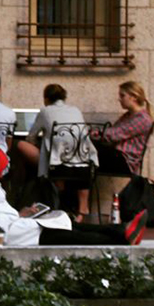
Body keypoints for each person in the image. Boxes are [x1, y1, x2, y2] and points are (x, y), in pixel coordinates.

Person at [0, 147, 147, 248]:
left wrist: (22, 214)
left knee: (69, 225)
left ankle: (121, 230)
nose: (3, 173)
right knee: (73, 235)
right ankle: (121, 236)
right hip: (17, 234)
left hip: (20, 227)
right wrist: (18, 218)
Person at [16, 83, 98, 221]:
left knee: (21, 145)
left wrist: (40, 143)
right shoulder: (75, 110)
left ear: (46, 98)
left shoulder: (45, 111)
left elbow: (31, 136)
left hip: (58, 167)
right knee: (73, 161)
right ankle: (82, 209)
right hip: (85, 163)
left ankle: (54, 199)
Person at [92, 81, 154, 176]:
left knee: (87, 150)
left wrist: (99, 133)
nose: (119, 99)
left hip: (125, 162)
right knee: (85, 151)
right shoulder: (127, 116)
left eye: (122, 95)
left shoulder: (142, 119)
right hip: (117, 157)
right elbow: (112, 134)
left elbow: (115, 134)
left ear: (134, 97)